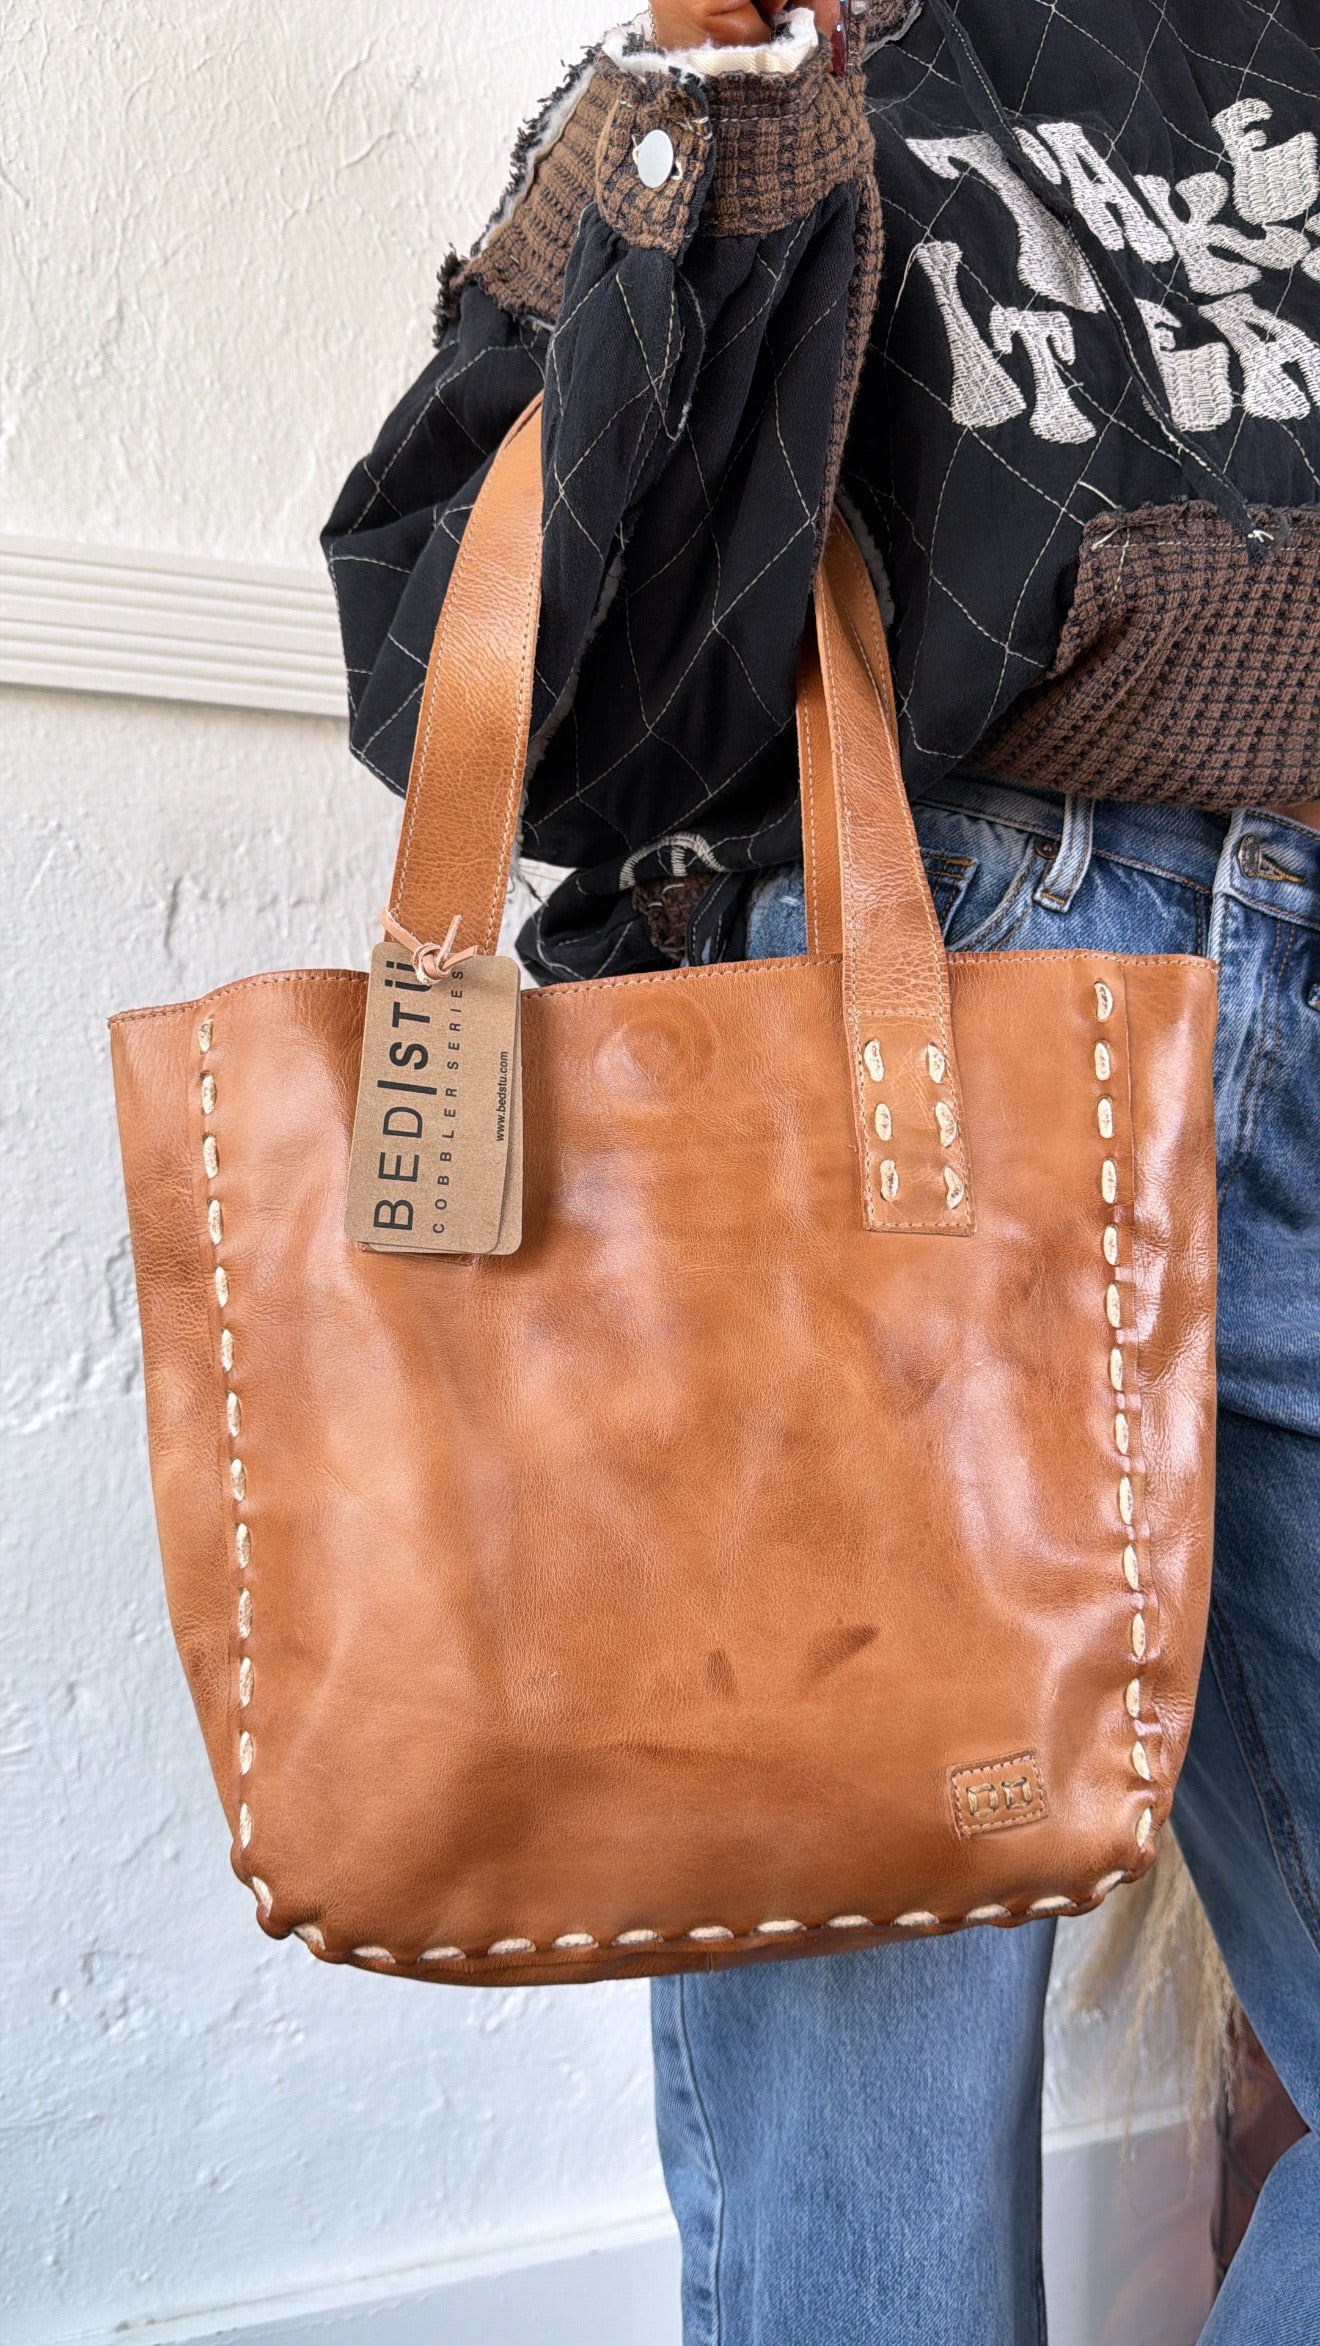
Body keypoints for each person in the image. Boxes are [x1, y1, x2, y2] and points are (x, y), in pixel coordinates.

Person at [324, 5, 1320, 2337]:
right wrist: (719, 109)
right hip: (926, 1005)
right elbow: (509, 687)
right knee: (874, 2207)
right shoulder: (800, 44)